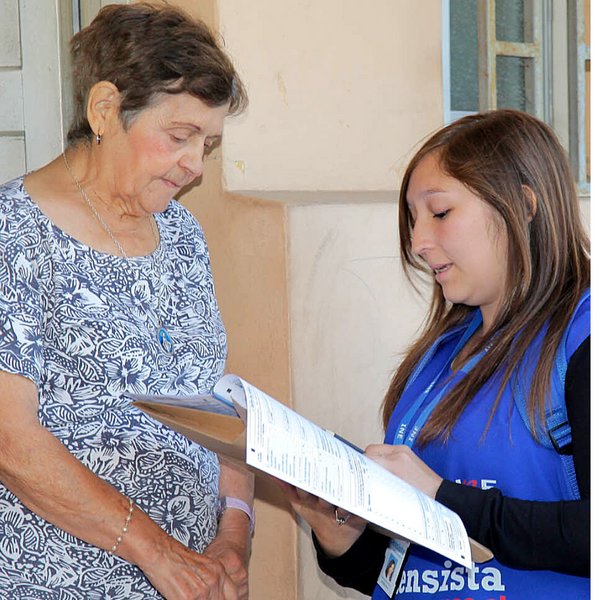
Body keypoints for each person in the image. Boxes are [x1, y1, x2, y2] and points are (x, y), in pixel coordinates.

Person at [0, 3, 255, 599]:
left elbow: (219, 402)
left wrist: (233, 531)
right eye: (180, 136)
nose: (194, 166)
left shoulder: (183, 235)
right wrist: (158, 554)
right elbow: (11, 441)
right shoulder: (14, 235)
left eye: (207, 144)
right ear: (105, 109)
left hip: (191, 578)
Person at [282, 110, 590, 599]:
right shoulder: (440, 353)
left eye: (440, 212)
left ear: (524, 206)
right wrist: (340, 537)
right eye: (412, 217)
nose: (418, 242)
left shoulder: (581, 339)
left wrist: (441, 498)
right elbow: (409, 572)